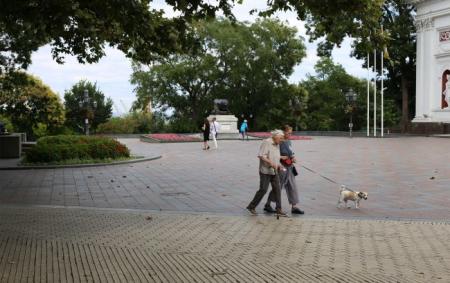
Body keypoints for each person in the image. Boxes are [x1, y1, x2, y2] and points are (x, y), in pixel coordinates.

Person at [264, 125, 304, 214]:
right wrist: (282, 157)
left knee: (292, 186)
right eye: (288, 132)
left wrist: (293, 157)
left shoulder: (289, 141)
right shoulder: (279, 141)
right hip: (281, 167)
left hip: (290, 166)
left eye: (291, 133)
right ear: (284, 132)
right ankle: (268, 204)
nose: (290, 134)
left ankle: (294, 206)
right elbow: (273, 154)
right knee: (278, 186)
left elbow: (291, 152)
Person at [246, 130, 287, 217]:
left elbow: (275, 156)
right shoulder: (267, 142)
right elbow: (261, 155)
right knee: (263, 189)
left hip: (274, 171)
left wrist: (279, 165)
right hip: (265, 171)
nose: (282, 140)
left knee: (277, 189)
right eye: (281, 138)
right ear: (276, 136)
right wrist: (271, 163)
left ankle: (279, 209)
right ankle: (251, 206)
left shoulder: (277, 144)